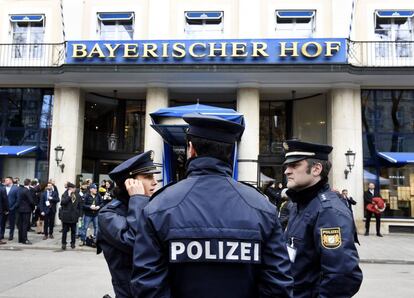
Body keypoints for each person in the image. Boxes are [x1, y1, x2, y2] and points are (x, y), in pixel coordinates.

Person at [131, 113, 293, 298]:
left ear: (191, 149)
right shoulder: (262, 207)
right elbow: (278, 287)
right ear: (230, 154)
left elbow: (148, 288)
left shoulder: (159, 207)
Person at [283, 139, 362, 298]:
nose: (287, 171)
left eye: (295, 165)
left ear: (316, 169)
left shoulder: (329, 211)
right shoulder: (298, 204)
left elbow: (342, 277)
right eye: (287, 166)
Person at [97, 150, 160, 298]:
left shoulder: (149, 206)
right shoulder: (109, 214)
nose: (155, 181)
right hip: (131, 292)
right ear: (130, 182)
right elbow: (137, 242)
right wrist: (137, 198)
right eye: (148, 176)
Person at [60, 182, 81, 250]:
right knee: (65, 231)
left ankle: (73, 243)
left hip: (74, 216)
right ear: (70, 188)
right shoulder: (65, 194)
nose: (75, 189)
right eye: (73, 188)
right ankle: (64, 243)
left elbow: (80, 205)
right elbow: (62, 203)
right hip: (66, 216)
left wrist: (79, 214)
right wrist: (69, 196)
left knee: (73, 231)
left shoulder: (77, 195)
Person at [0, 177, 20, 241]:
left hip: (12, 209)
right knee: (2, 223)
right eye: (5, 180)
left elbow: (18, 200)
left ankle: (11, 235)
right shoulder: (2, 188)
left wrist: (13, 208)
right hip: (3, 209)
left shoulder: (16, 188)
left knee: (12, 223)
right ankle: (1, 235)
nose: (5, 181)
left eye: (7, 180)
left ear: (11, 181)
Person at [17, 179, 35, 244]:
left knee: (20, 224)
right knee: (25, 225)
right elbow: (31, 201)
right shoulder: (27, 190)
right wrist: (33, 208)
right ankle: (25, 239)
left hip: (20, 209)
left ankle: (20, 239)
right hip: (26, 209)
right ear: (29, 183)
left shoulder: (20, 189)